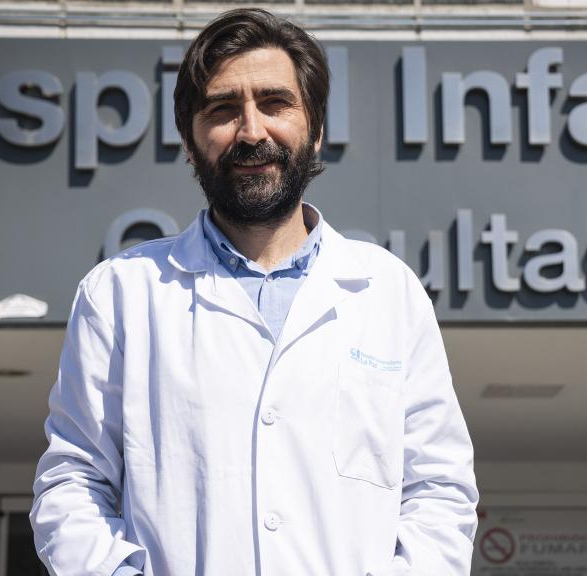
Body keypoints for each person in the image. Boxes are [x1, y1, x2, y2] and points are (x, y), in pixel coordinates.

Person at [30, 8, 478, 576]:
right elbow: (72, 483)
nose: (251, 130)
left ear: (315, 131)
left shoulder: (390, 292)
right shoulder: (119, 293)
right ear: (190, 143)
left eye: (275, 103)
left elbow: (439, 491)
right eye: (222, 110)